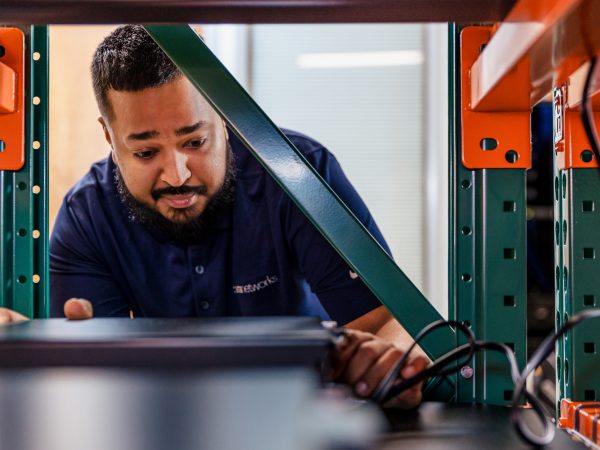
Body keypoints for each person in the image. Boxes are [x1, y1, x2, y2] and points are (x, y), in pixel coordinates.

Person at [10, 25, 428, 407]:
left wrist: (391, 368)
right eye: (145, 152)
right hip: (163, 419)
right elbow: (96, 386)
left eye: (195, 141)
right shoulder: (86, 217)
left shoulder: (298, 176)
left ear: (224, 120)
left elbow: (386, 322)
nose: (177, 175)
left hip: (305, 413)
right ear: (110, 138)